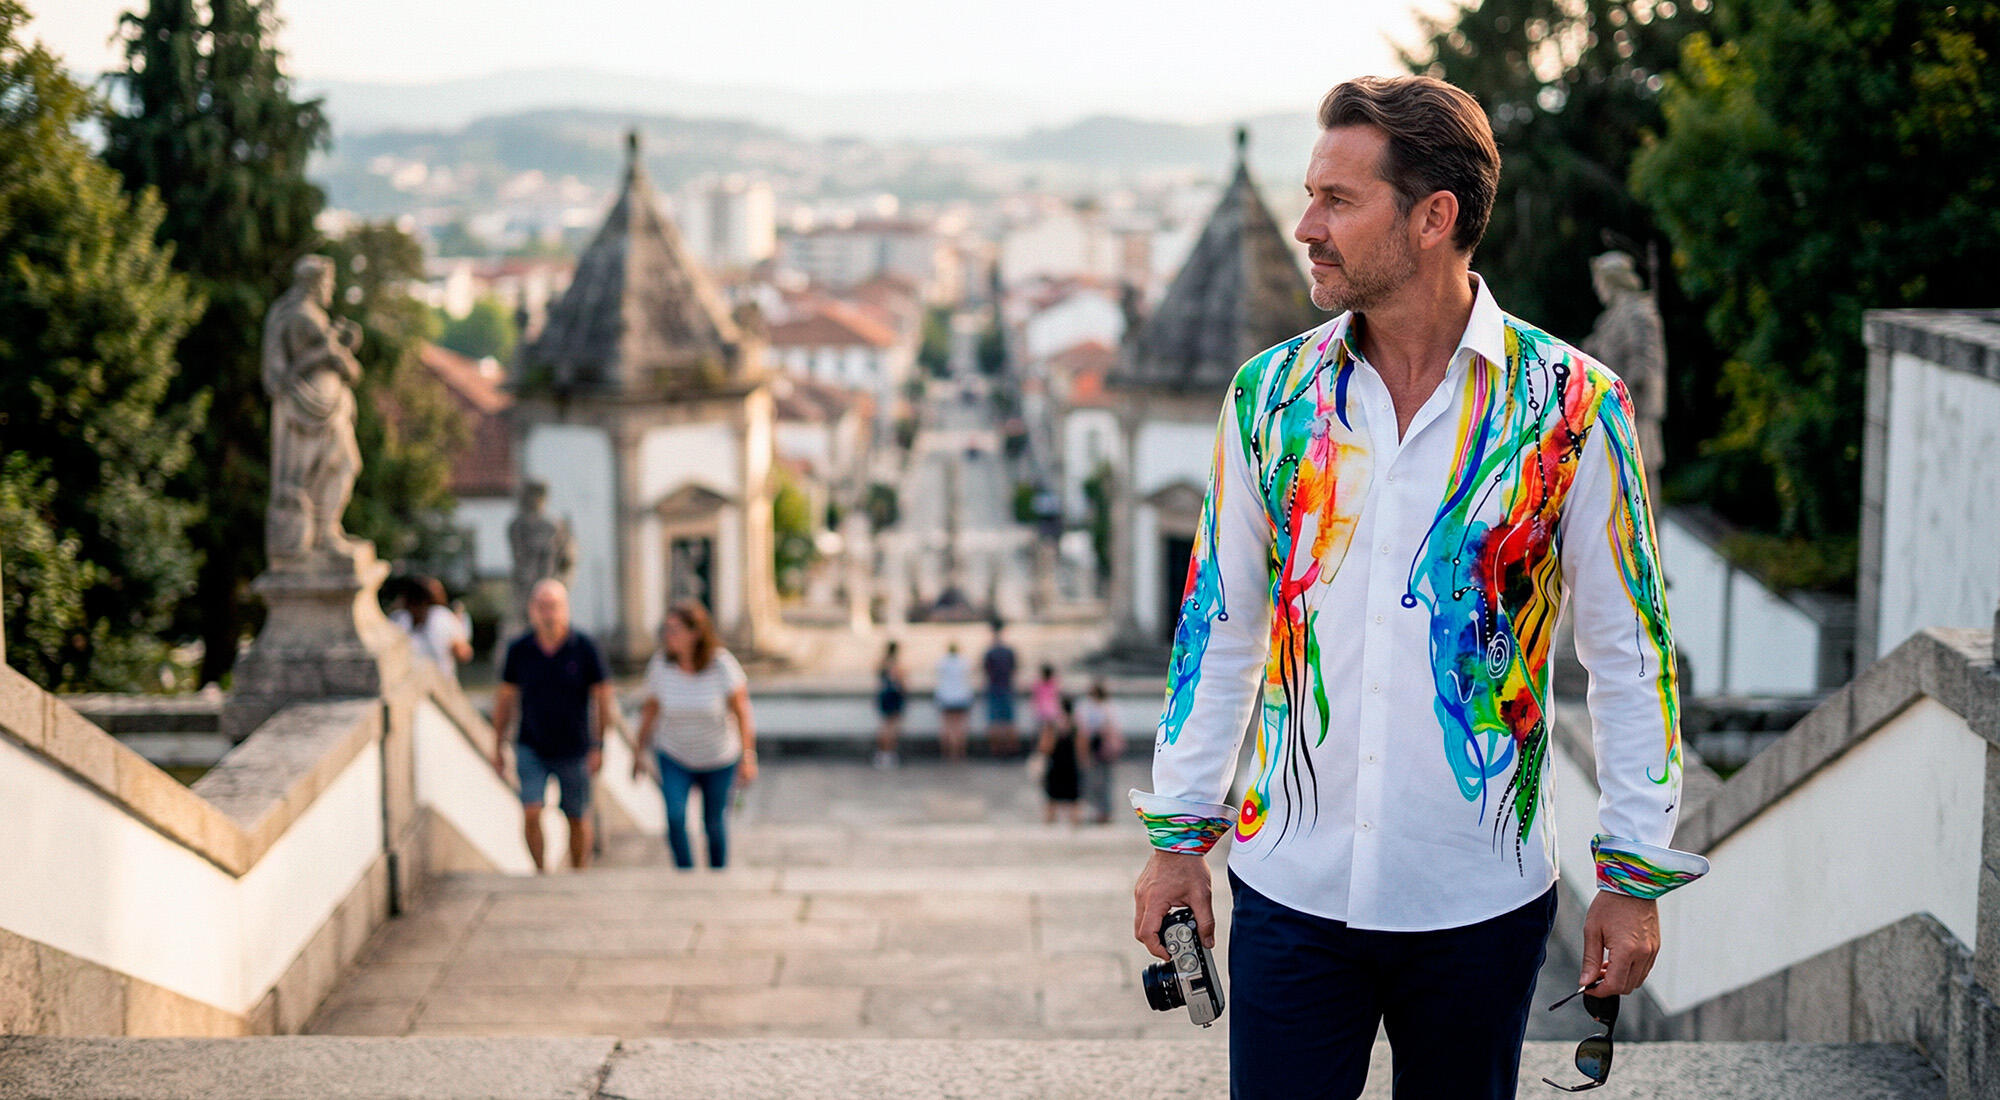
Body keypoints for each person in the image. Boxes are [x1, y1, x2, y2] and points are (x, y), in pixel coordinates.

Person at [1129, 75, 1709, 1100]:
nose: (1306, 225)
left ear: (1433, 217)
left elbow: (1626, 650)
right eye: (1308, 194)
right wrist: (1178, 838)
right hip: (1289, 890)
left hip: (1478, 900)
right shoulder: (1269, 399)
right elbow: (1219, 628)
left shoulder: (1571, 408)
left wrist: (1632, 871)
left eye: (1337, 201)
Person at [490, 579, 612, 871]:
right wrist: (497, 744)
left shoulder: (583, 647)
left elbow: (603, 699)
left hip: (575, 746)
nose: (548, 613)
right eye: (542, 606)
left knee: (577, 816)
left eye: (553, 606)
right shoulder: (520, 649)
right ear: (532, 610)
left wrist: (599, 745)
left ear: (565, 609)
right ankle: (541, 870)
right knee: (531, 809)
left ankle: (578, 869)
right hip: (531, 743)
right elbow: (506, 698)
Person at [633, 601, 758, 870]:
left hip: (718, 756)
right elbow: (650, 711)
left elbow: (742, 713)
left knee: (714, 824)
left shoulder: (722, 665)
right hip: (674, 754)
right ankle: (685, 873)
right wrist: (638, 751)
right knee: (675, 817)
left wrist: (748, 757)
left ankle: (716, 875)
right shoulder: (660, 666)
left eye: (675, 630)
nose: (669, 636)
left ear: (695, 633)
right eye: (666, 630)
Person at [389, 576, 472, 685]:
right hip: (423, 685)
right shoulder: (442, 617)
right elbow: (464, 654)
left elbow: (463, 654)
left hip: (424, 686)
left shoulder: (398, 618)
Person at [1078, 678, 1123, 824]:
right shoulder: (1109, 707)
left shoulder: (1091, 708)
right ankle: (1102, 811)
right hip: (1100, 747)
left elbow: (1084, 730)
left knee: (1099, 781)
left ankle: (1102, 811)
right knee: (1102, 781)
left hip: (1098, 746)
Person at [1039, 695, 1083, 826]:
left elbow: (1045, 747)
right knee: (1073, 800)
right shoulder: (1076, 726)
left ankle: (1050, 825)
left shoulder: (1053, 726)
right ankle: (1074, 825)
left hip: (1056, 765)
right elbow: (1081, 747)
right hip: (1071, 766)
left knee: (1052, 800)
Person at [981, 620, 1020, 756]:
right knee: (1009, 721)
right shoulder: (1009, 651)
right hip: (1007, 688)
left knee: (994, 721)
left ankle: (996, 750)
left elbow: (984, 670)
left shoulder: (989, 652)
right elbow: (1015, 669)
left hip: (993, 688)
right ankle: (1011, 749)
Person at [934, 642, 974, 762]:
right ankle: (959, 753)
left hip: (946, 696)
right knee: (960, 727)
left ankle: (947, 753)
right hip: (961, 696)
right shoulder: (963, 661)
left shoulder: (942, 661)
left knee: (947, 726)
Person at [873, 640, 907, 769]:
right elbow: (901, 681)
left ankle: (880, 753)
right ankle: (889, 753)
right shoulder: (895, 663)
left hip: (883, 695)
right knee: (892, 727)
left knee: (883, 726)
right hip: (894, 695)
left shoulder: (882, 662)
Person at [1029, 663, 1062, 745]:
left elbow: (1035, 698)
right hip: (1051, 711)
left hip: (1042, 711)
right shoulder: (1054, 683)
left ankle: (1044, 748)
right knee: (1050, 733)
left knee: (1043, 733)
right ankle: (1049, 747)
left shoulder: (1038, 684)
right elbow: (1056, 697)